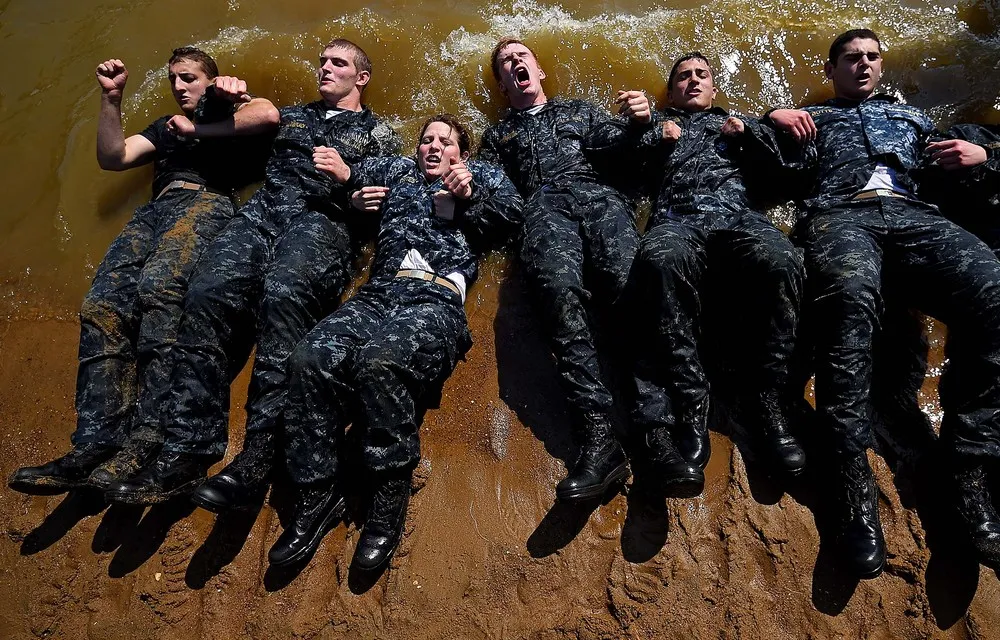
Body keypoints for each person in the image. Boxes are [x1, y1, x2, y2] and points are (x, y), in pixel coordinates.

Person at [97, 38, 402, 506]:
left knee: (282, 297)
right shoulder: (291, 114)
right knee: (205, 293)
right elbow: (245, 117)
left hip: (323, 219)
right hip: (262, 213)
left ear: (361, 78)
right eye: (321, 61)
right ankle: (186, 450)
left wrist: (351, 184)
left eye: (338, 63)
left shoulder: (378, 132)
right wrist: (218, 100)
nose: (324, 68)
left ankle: (258, 456)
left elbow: (388, 197)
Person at [765, 28, 1000, 577]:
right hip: (842, 217)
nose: (864, 65)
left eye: (873, 57)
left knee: (994, 293)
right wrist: (772, 114)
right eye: (852, 58)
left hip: (915, 218)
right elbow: (736, 142)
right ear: (831, 70)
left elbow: (989, 153)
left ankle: (966, 469)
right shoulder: (812, 118)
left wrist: (982, 154)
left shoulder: (916, 121)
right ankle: (851, 490)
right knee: (847, 324)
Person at [8, 47, 278, 496]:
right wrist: (111, 99)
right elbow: (113, 157)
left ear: (211, 79)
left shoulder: (230, 110)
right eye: (174, 78)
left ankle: (151, 435)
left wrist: (234, 94)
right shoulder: (166, 128)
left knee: (160, 289)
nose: (179, 86)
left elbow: (268, 116)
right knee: (103, 305)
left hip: (208, 202)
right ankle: (96, 442)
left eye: (189, 77)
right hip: (156, 210)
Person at [266, 114, 523, 571]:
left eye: (445, 141)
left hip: (435, 295)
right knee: (310, 358)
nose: (433, 147)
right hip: (379, 293)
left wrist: (468, 201)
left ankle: (388, 498)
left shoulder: (480, 174)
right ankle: (317, 492)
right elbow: (350, 177)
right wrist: (347, 187)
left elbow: (513, 217)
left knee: (379, 364)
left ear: (461, 152)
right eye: (426, 139)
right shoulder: (397, 170)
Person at [585, 52, 807, 490]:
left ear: (713, 86)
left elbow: (789, 174)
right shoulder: (658, 125)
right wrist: (649, 134)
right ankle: (691, 399)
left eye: (701, 75)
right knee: (658, 261)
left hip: (738, 218)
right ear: (669, 91)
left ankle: (768, 397)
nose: (692, 81)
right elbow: (610, 162)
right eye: (682, 77)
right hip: (678, 220)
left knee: (783, 259)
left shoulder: (740, 124)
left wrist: (752, 133)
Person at [478, 38, 639, 503]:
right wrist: (469, 191)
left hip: (599, 198)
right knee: (558, 297)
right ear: (503, 86)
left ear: (539, 69)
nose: (515, 63)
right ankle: (599, 440)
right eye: (505, 63)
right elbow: (501, 202)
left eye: (521, 56)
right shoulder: (498, 136)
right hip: (543, 212)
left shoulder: (580, 110)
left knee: (630, 287)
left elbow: (624, 149)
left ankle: (657, 431)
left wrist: (640, 121)